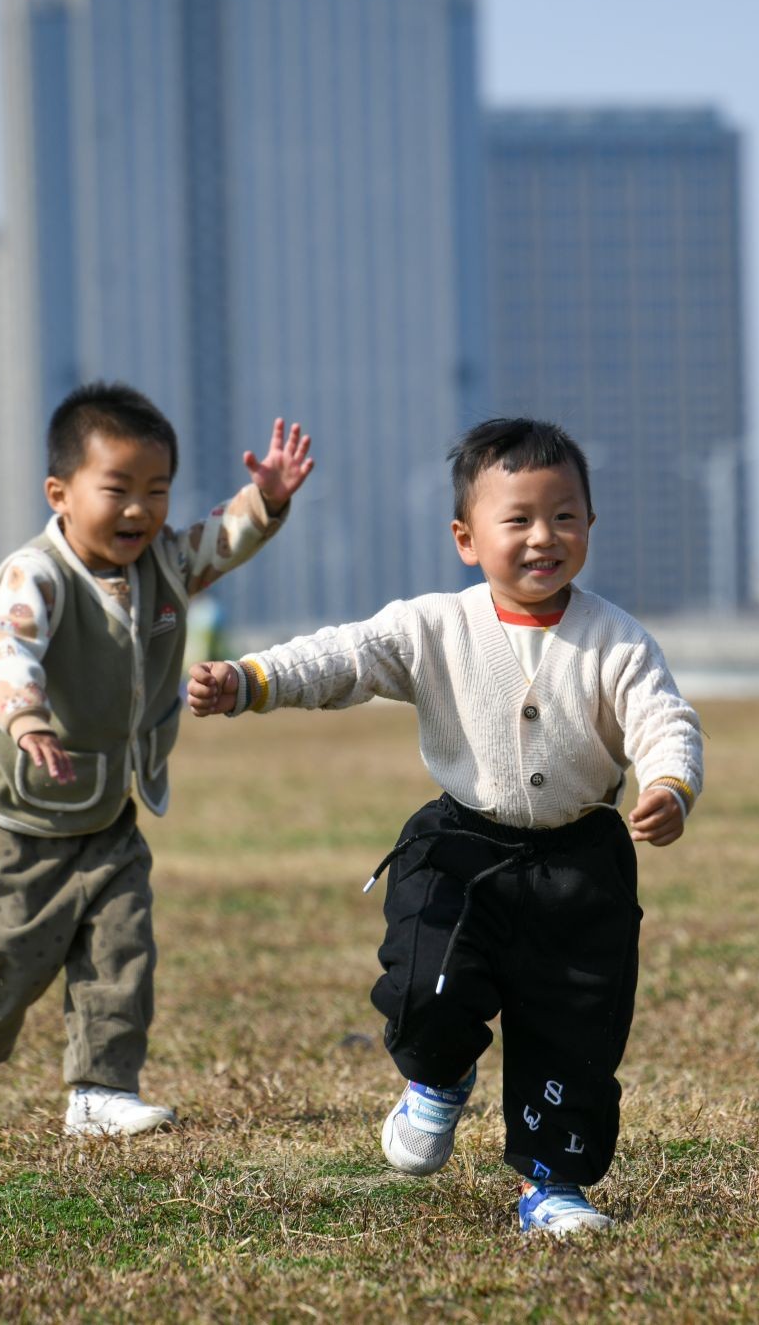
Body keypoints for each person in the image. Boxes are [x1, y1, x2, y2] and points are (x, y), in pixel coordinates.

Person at [187, 418, 703, 1236]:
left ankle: (553, 1184)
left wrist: (671, 785)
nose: (545, 537)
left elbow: (664, 720)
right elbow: (341, 659)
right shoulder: (434, 626)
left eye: (565, 516)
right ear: (467, 538)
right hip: (460, 847)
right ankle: (437, 1075)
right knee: (428, 979)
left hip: (580, 866)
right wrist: (251, 679)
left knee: (575, 1027)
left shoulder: (617, 640)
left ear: (591, 526)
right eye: (519, 519)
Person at [0, 382, 313, 1137]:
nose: (140, 509)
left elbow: (218, 540)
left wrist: (264, 502)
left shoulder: (163, 562)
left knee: (121, 948)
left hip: (106, 811)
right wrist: (26, 715)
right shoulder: (36, 572)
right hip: (16, 820)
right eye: (118, 489)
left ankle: (100, 1088)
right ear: (60, 493)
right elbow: (3, 644)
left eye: (156, 490)